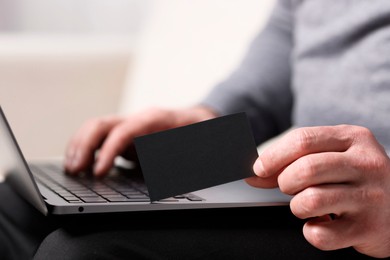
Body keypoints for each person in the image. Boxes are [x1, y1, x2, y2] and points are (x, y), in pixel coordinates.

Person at [1, 0, 390, 259]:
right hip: (305, 186)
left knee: (78, 251)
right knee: (15, 205)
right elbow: (291, 33)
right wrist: (208, 118)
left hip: (368, 214)